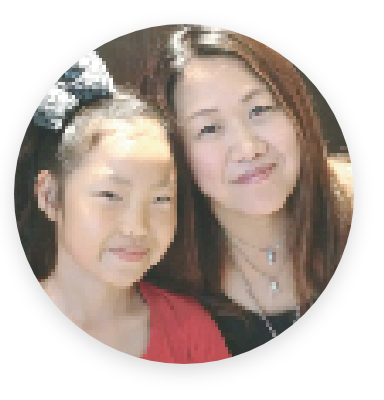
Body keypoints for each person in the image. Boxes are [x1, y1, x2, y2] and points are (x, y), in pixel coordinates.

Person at [139, 24, 354, 356]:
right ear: (175, 150)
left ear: (297, 111)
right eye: (209, 128)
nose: (248, 148)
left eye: (259, 110)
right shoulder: (158, 275)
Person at [14, 50, 231, 363]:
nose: (137, 228)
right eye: (110, 195)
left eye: (161, 199)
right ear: (49, 196)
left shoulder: (190, 330)